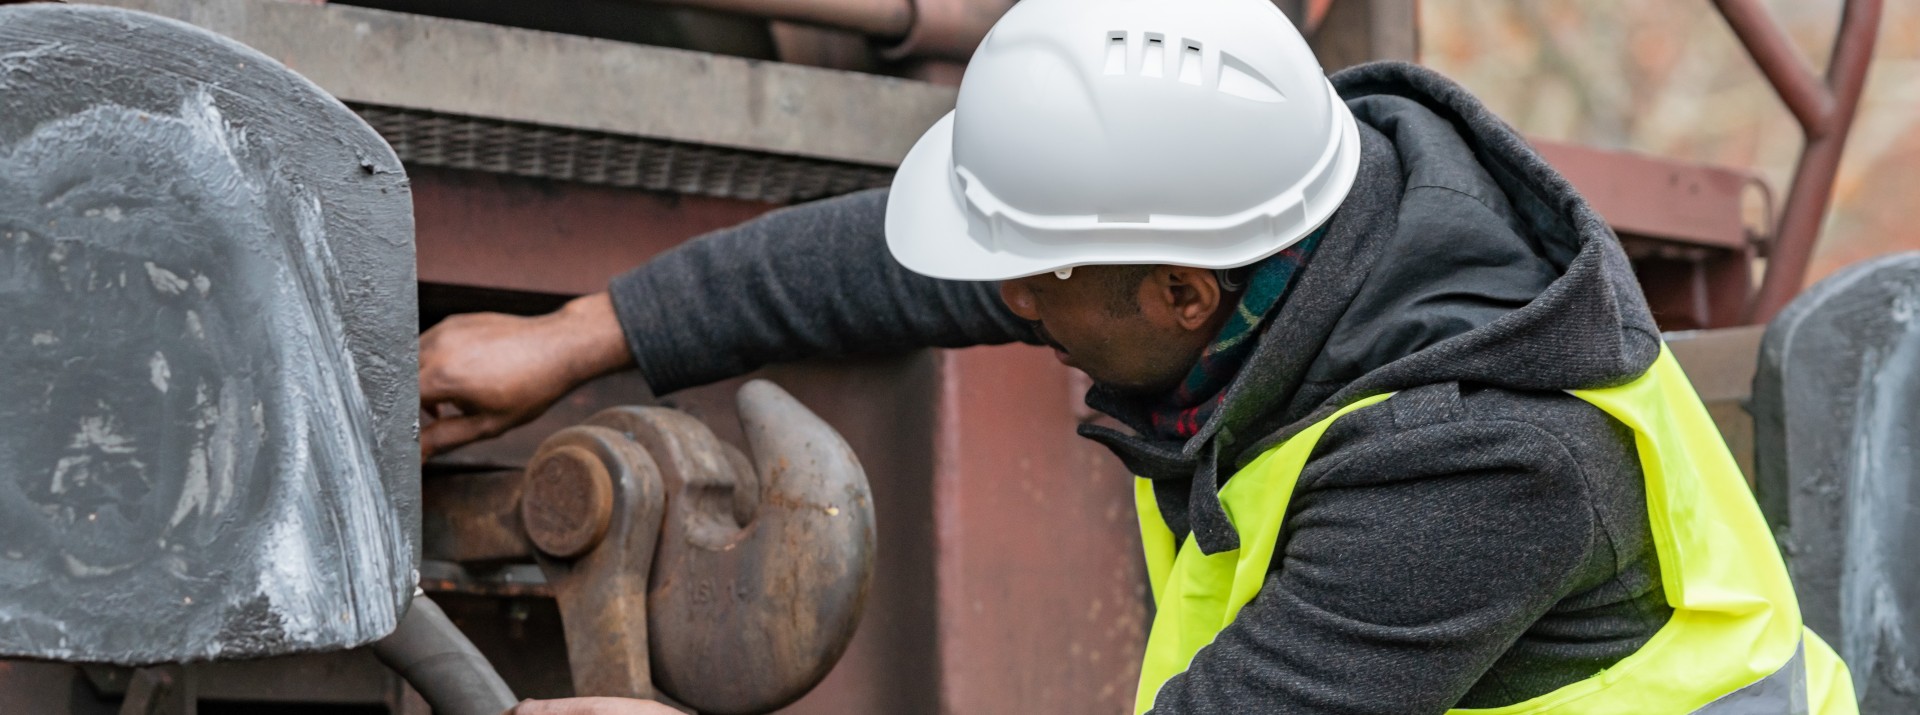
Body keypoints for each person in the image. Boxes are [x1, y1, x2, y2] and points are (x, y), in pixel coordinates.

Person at [427, 0, 1855, 712]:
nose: (1010, 305)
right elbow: (908, 260)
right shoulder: (1290, 227)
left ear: (1181, 295)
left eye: (1031, 284)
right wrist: (581, 335)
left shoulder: (1481, 465)